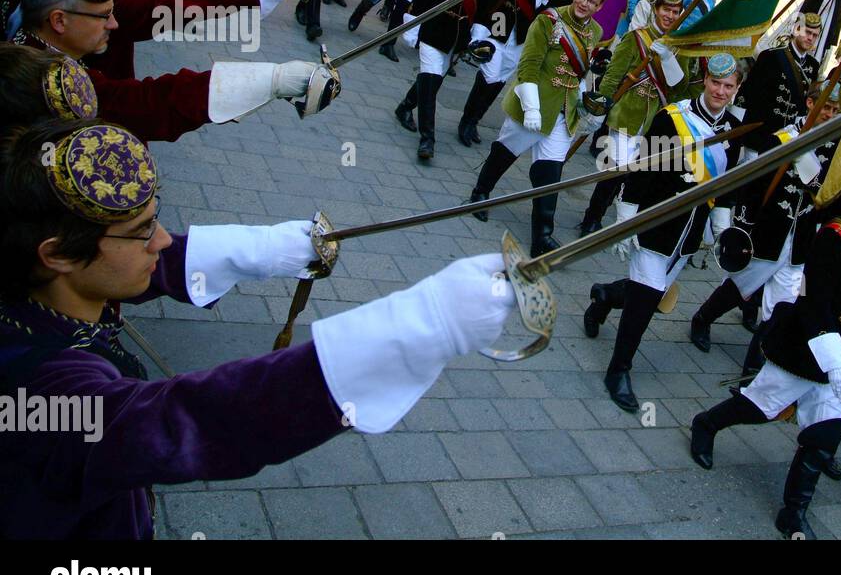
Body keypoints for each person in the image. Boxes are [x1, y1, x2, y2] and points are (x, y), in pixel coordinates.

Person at [0, 119, 516, 539]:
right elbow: (199, 420)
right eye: (141, 232)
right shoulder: (38, 393)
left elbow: (153, 261)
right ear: (58, 255)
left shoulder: (47, 292)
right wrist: (426, 324)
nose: (161, 240)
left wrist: (270, 248)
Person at [687, 156, 841, 539]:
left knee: (823, 436)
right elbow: (815, 307)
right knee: (759, 407)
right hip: (806, 353)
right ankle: (706, 423)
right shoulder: (835, 236)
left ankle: (794, 512)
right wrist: (838, 366)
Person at [17, 0, 317, 142]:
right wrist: (271, 80)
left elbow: (164, 5)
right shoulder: (47, 85)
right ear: (58, 21)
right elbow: (149, 103)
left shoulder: (47, 30)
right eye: (103, 17)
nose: (114, 25)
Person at [585, 54, 744, 413]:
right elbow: (641, 169)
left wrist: (720, 226)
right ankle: (619, 369)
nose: (720, 91)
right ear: (705, 80)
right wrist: (625, 218)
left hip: (689, 232)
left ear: (736, 89)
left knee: (652, 294)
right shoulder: (673, 118)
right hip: (655, 221)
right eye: (716, 83)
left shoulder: (733, 134)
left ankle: (606, 296)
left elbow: (726, 185)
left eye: (728, 86)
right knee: (646, 298)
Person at [688, 81, 841, 364]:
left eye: (835, 109)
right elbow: (755, 185)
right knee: (741, 284)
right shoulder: (782, 138)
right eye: (826, 107)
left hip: (801, 238)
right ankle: (703, 317)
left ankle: (755, 363)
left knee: (782, 304)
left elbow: (827, 190)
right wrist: (744, 224)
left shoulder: (836, 147)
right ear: (810, 103)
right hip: (771, 230)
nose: (830, 114)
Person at [467, 0, 608, 253]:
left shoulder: (596, 32)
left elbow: (579, 73)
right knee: (506, 150)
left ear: (599, 6)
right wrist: (531, 106)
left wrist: (586, 103)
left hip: (563, 111)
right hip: (533, 103)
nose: (583, 3)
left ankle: (542, 236)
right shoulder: (548, 21)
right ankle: (480, 193)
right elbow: (528, 66)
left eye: (591, 1)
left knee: (550, 172)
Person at [577, 0, 689, 236]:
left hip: (655, 119)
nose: (670, 15)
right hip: (627, 113)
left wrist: (668, 58)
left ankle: (611, 215)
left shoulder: (680, 47)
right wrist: (599, 108)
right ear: (656, 10)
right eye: (665, 10)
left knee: (632, 173)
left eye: (675, 11)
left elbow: (679, 89)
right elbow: (613, 76)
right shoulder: (636, 38)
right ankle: (592, 218)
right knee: (616, 168)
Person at [399, 0, 500, 160]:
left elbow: (486, 3)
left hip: (460, 35)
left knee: (434, 80)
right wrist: (411, 24)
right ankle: (427, 140)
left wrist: (480, 32)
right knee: (431, 78)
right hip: (435, 28)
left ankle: (404, 107)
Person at [455, 0, 553, 147]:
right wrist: (477, 30)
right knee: (488, 75)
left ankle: (475, 119)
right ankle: (466, 120)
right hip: (495, 26)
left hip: (520, 34)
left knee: (499, 79)